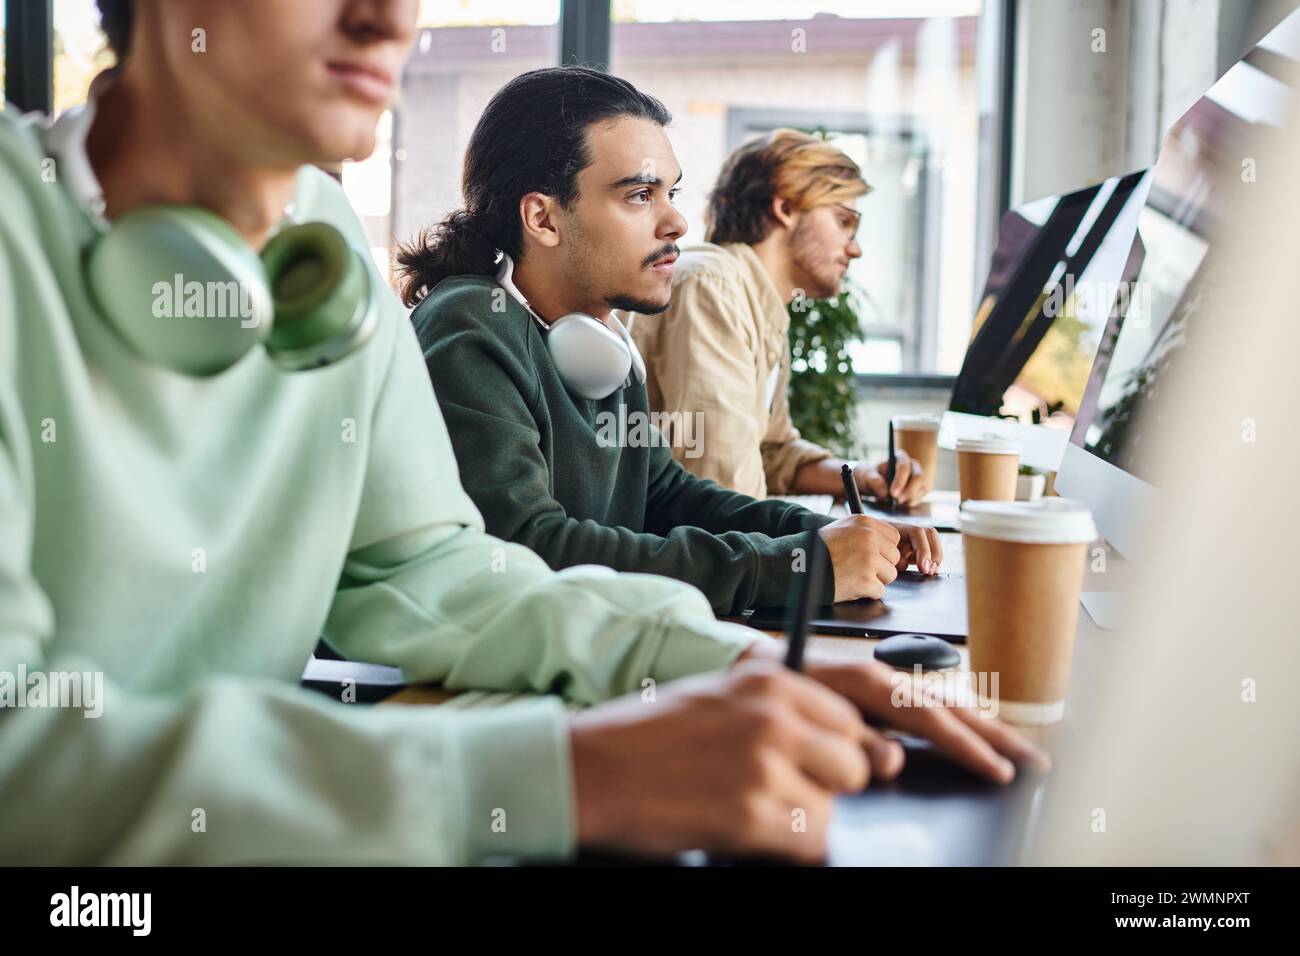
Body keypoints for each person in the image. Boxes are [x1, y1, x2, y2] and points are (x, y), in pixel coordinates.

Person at [0, 0, 1044, 866]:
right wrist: (558, 773)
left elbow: (434, 565)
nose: (386, 17)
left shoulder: (321, 254)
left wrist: (723, 659)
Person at [402, 67, 943, 617]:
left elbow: (666, 497)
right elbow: (527, 547)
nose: (677, 222)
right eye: (640, 195)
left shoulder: (603, 345)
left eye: (671, 193)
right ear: (542, 217)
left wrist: (836, 532)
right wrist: (798, 567)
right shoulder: (469, 325)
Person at [628, 128, 930, 504]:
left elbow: (772, 452)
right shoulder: (713, 286)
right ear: (785, 209)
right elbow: (723, 486)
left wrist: (862, 475)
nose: (855, 249)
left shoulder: (758, 302)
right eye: (844, 221)